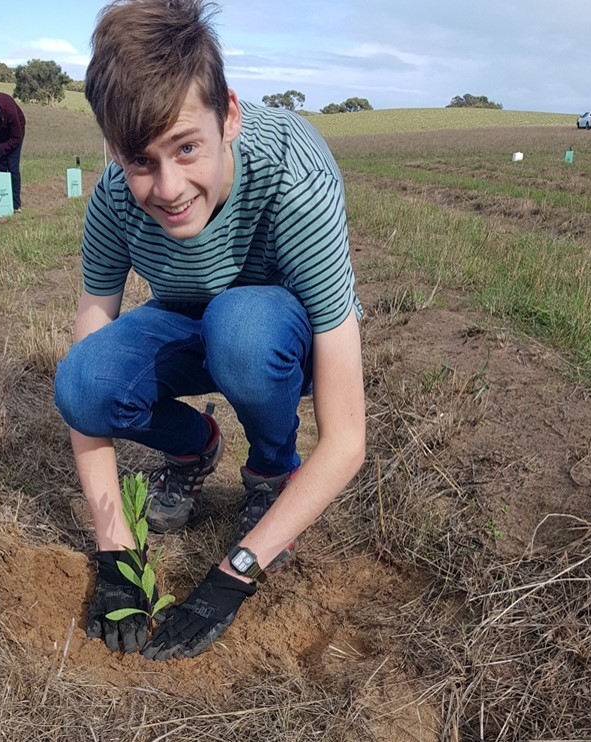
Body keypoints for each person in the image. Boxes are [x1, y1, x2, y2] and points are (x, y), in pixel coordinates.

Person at [59, 0, 365, 662]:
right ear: (114, 149)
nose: (168, 187)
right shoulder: (115, 197)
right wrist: (114, 552)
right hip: (187, 317)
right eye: (141, 160)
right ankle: (196, 447)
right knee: (82, 380)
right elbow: (91, 342)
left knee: (242, 331)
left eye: (187, 148)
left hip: (275, 334)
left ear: (228, 115)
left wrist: (234, 576)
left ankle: (269, 472)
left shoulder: (292, 171)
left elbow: (346, 440)